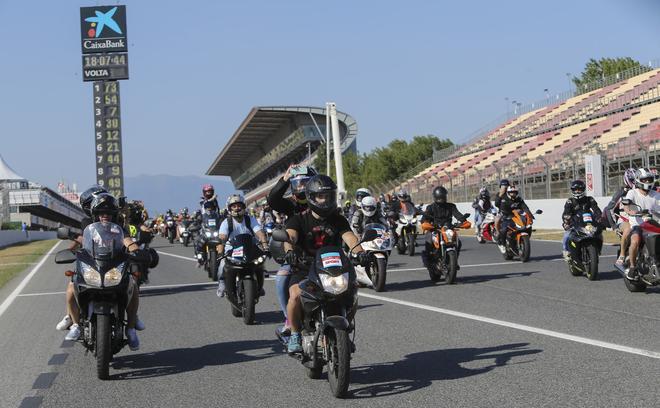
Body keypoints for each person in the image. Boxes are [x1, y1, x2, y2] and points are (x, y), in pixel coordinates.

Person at [282, 175, 367, 353]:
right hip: (305, 267)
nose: (325, 200)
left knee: (352, 291)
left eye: (328, 196)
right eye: (321, 196)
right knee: (295, 295)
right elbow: (290, 237)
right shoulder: (298, 219)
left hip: (334, 268)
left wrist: (361, 253)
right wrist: (289, 251)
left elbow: (350, 238)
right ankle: (296, 333)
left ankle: (344, 328)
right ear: (311, 197)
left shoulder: (338, 219)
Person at [59, 192, 143, 350]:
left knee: (132, 285)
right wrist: (71, 250)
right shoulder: (89, 229)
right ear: (95, 214)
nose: (105, 216)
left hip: (113, 266)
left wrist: (137, 251)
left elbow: (128, 241)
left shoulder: (118, 230)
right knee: (71, 287)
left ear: (114, 214)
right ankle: (76, 324)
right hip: (94, 266)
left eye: (109, 213)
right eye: (101, 213)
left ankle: (131, 329)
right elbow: (82, 242)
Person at [266, 164, 316, 333]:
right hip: (298, 253)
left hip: (323, 251)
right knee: (281, 279)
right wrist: (285, 179)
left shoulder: (322, 202)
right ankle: (289, 317)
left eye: (305, 183)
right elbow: (273, 200)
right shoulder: (291, 206)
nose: (301, 187)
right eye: (297, 183)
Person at [216, 194, 269, 298]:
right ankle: (222, 284)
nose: (237, 208)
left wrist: (265, 246)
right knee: (222, 265)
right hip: (231, 250)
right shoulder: (226, 222)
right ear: (229, 208)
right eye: (234, 206)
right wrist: (220, 253)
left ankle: (259, 285)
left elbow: (259, 233)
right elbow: (222, 238)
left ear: (244, 206)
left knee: (260, 264)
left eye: (239, 205)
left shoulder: (250, 219)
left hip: (250, 248)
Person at [621, 168, 660, 279]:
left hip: (653, 224)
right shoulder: (632, 192)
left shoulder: (656, 195)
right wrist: (631, 211)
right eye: (645, 179)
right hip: (637, 225)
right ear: (638, 180)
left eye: (649, 179)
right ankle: (633, 268)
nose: (647, 182)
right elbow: (626, 206)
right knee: (635, 241)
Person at [420, 186, 468, 266]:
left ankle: (454, 261)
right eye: (439, 198)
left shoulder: (451, 206)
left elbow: (457, 214)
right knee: (429, 239)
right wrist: (426, 223)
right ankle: (428, 261)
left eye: (443, 197)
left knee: (458, 242)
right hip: (435, 229)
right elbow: (424, 218)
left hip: (447, 228)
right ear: (435, 197)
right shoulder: (431, 207)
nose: (441, 199)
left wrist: (463, 220)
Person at [561, 180, 602, 260]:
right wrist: (566, 220)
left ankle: (597, 250)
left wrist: (600, 217)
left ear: (583, 190)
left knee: (599, 234)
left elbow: (596, 210)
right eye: (575, 189)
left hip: (588, 222)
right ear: (572, 190)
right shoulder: (570, 201)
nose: (577, 191)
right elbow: (566, 212)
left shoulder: (590, 199)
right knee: (567, 235)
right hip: (575, 222)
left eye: (579, 189)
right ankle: (566, 251)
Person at [495, 185, 533, 253]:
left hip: (517, 217)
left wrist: (530, 215)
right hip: (507, 217)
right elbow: (504, 209)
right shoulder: (504, 199)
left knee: (528, 226)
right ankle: (502, 244)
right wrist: (513, 211)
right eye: (511, 192)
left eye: (515, 192)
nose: (513, 193)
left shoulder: (519, 199)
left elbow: (525, 207)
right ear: (508, 193)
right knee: (504, 230)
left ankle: (523, 240)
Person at [603, 168, 636, 232]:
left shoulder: (641, 191)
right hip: (625, 221)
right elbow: (609, 209)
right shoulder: (621, 193)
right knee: (629, 229)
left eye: (636, 179)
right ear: (627, 179)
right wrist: (614, 226)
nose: (635, 182)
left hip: (640, 220)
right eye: (632, 180)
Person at [194, 200, 224, 267]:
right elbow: (196, 222)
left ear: (214, 208)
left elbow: (223, 222)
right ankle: (199, 258)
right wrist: (195, 225)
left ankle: (223, 258)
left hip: (216, 233)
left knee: (224, 241)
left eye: (211, 207)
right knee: (196, 240)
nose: (209, 209)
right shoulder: (202, 216)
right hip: (205, 233)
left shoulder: (218, 216)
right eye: (207, 207)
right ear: (205, 208)